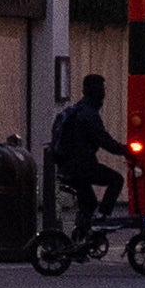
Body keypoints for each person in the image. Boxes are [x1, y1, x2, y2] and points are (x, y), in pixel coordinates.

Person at [46, 72, 124, 247]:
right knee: (116, 180)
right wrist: (126, 151)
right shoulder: (89, 115)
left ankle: (80, 240)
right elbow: (105, 141)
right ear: (96, 91)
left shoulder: (77, 110)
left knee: (88, 202)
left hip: (68, 166)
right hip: (82, 166)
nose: (104, 93)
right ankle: (102, 218)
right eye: (102, 89)